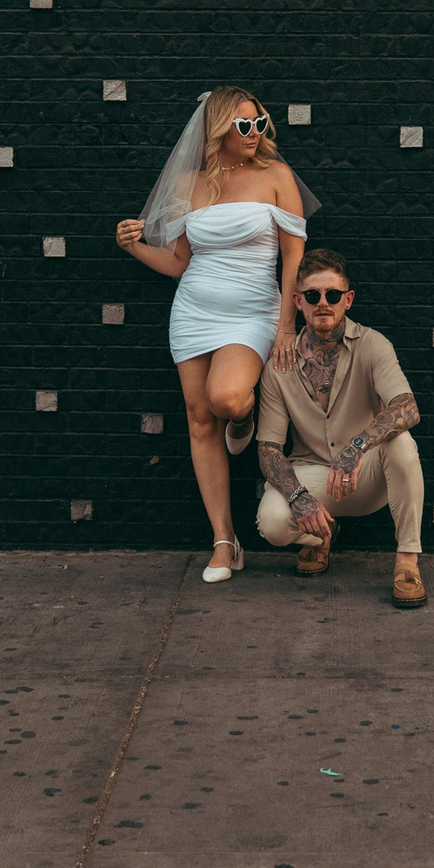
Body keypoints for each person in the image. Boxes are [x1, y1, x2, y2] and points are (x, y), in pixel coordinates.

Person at [115, 87, 314, 584]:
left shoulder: (276, 177)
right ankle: (225, 542)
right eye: (243, 125)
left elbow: (293, 257)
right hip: (194, 311)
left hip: (253, 311)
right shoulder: (192, 182)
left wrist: (288, 325)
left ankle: (242, 420)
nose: (254, 134)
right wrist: (136, 248)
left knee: (226, 399)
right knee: (198, 420)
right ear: (218, 129)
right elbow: (181, 262)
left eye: (260, 123)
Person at [253, 249, 427, 608]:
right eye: (313, 296)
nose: (323, 303)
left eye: (332, 295)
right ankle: (319, 538)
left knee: (403, 443)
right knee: (271, 520)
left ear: (347, 300)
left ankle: (407, 562)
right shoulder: (278, 366)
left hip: (367, 474)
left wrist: (357, 446)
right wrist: (299, 498)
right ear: (298, 301)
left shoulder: (373, 344)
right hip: (314, 478)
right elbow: (268, 448)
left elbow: (407, 407)